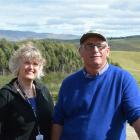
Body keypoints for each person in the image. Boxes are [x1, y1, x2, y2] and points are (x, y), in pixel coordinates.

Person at [51, 32, 140, 140]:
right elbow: (58, 121)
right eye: (89, 45)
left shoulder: (123, 79)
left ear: (107, 51)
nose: (95, 50)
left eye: (100, 46)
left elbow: (136, 114)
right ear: (80, 52)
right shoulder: (68, 83)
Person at [0, 43, 54, 140]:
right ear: (18, 65)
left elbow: (53, 122)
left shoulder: (43, 91)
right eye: (27, 63)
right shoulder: (5, 95)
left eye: (35, 64)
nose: (31, 67)